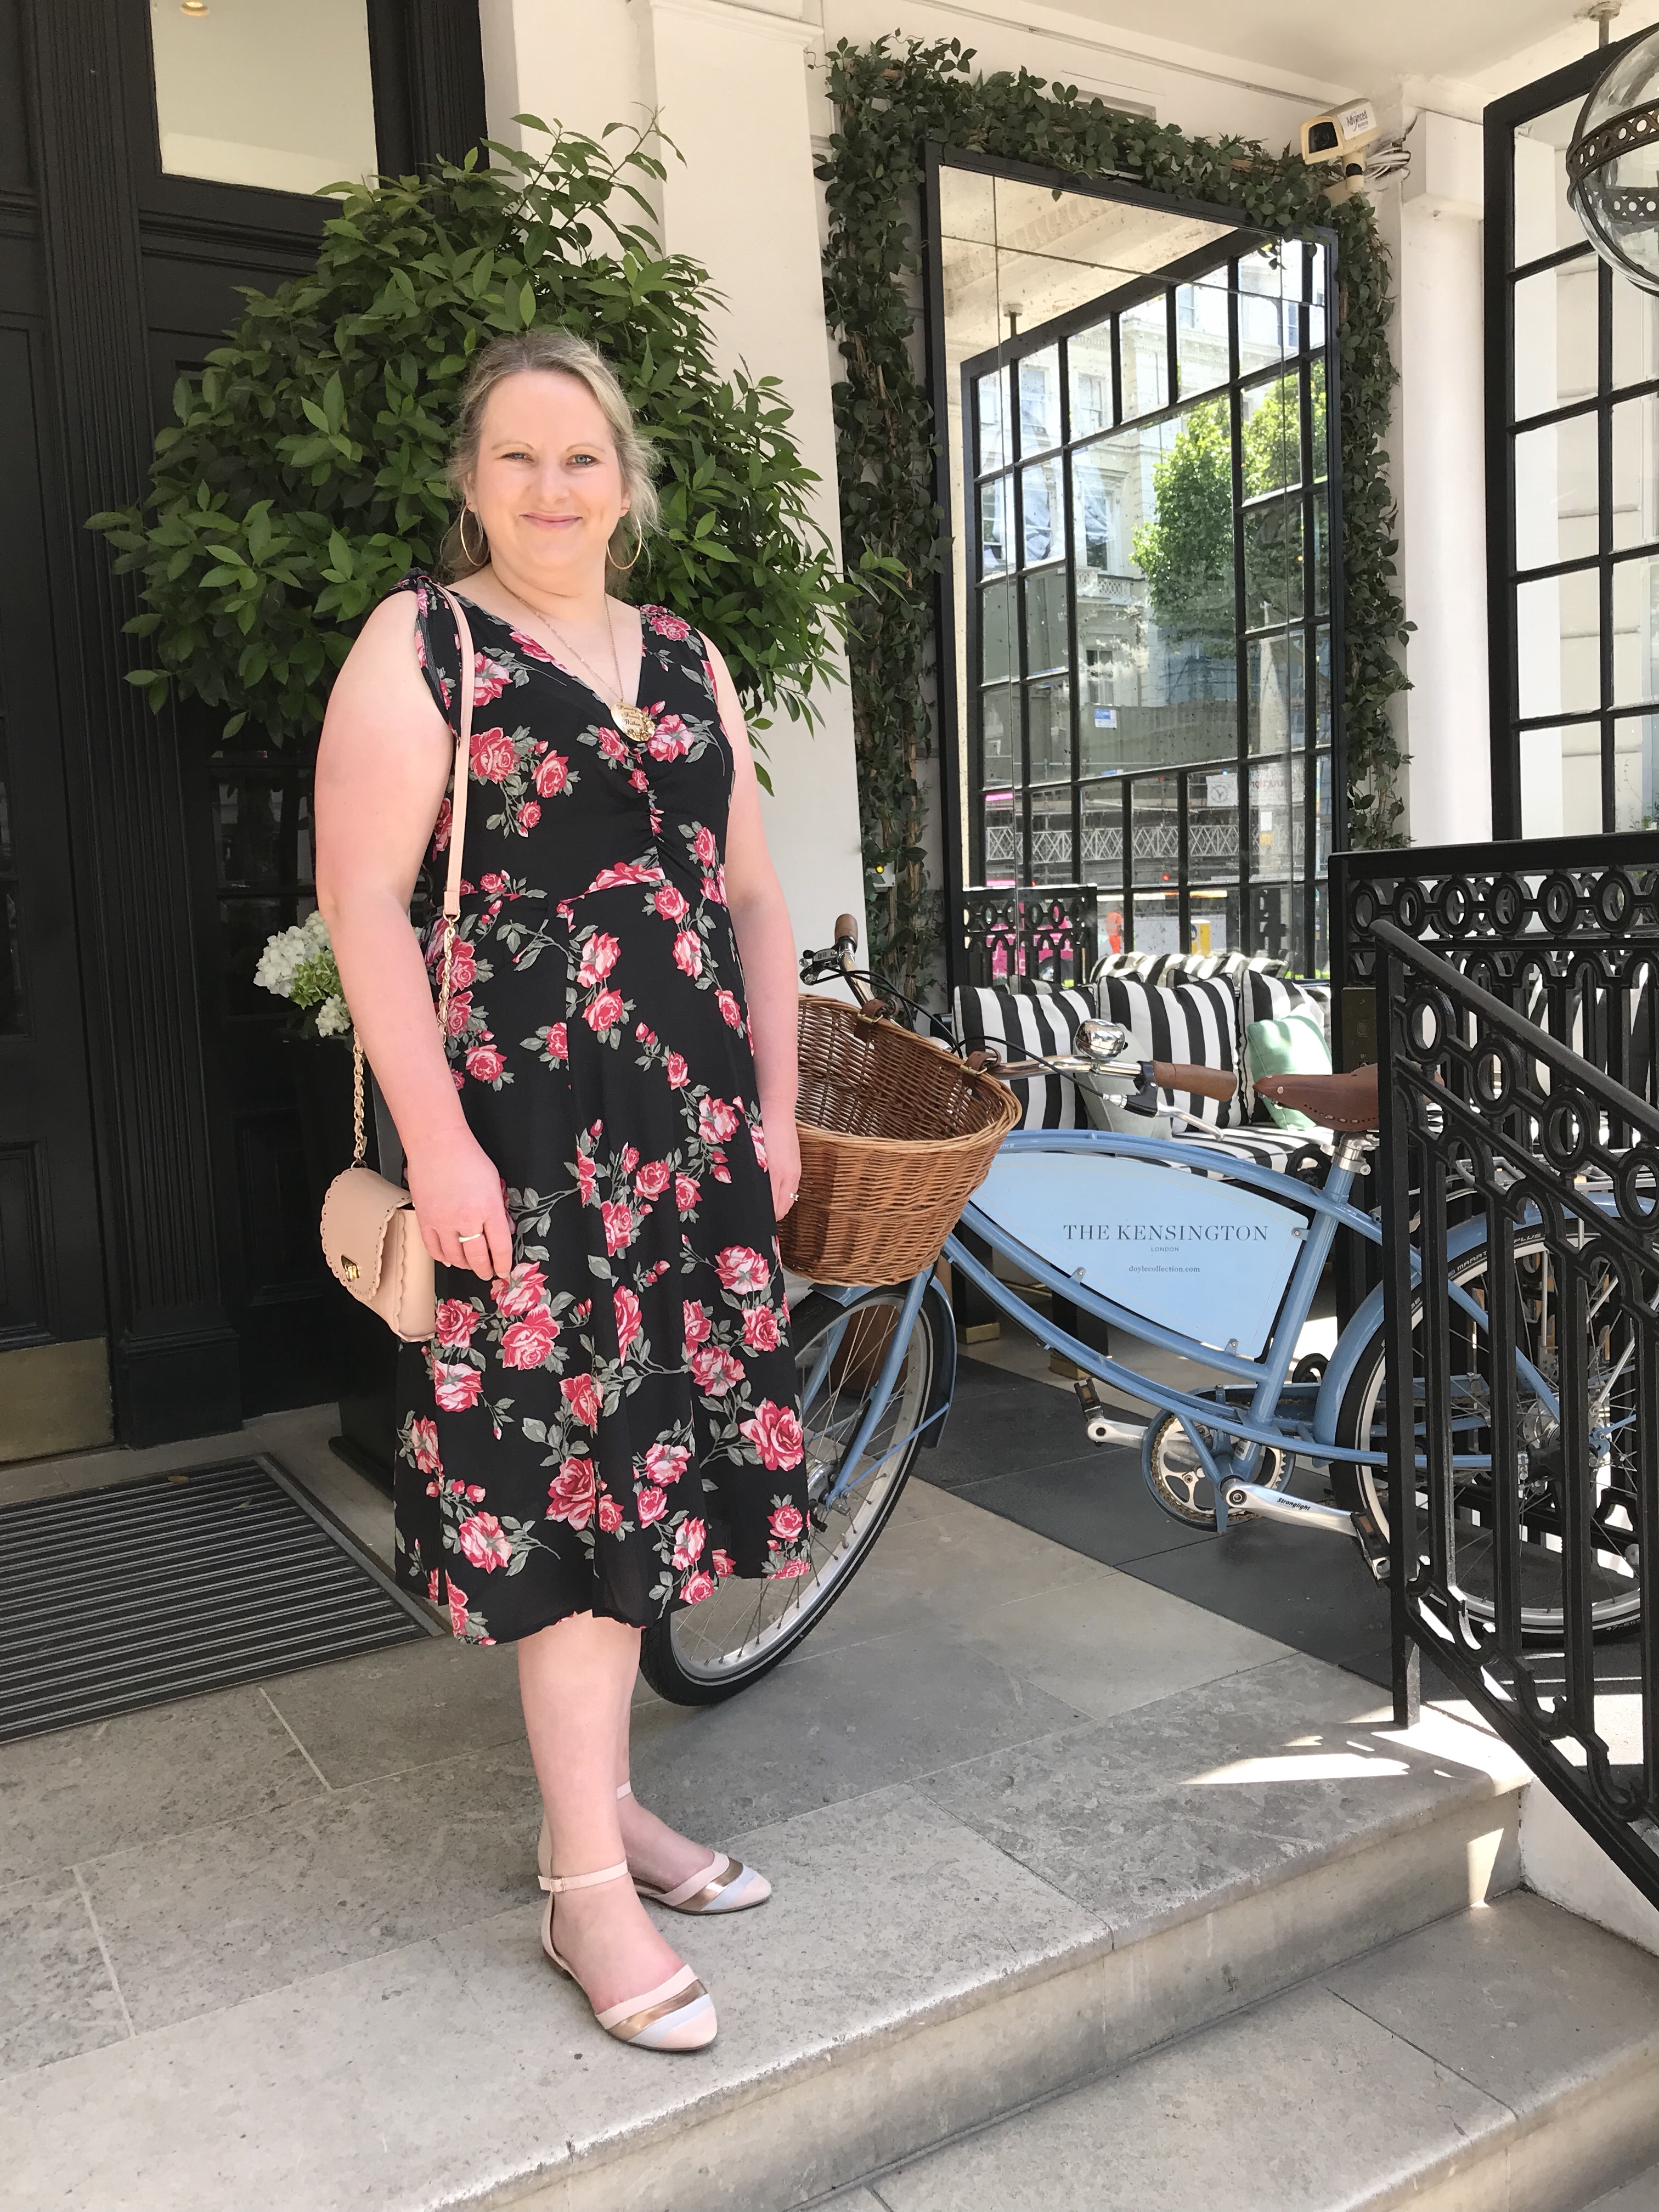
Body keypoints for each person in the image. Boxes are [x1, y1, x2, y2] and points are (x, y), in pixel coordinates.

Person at [314, 329, 809, 2052]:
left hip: (689, 1141)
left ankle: (599, 1818)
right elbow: (363, 903)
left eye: (580, 456)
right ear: (471, 480)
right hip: (525, 1148)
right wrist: (439, 1143)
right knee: (576, 1486)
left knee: (649, 1475)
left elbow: (754, 896)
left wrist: (776, 1112)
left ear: (625, 481)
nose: (550, 487)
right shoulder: (423, 642)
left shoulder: (686, 653)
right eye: (516, 457)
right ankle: (585, 1890)